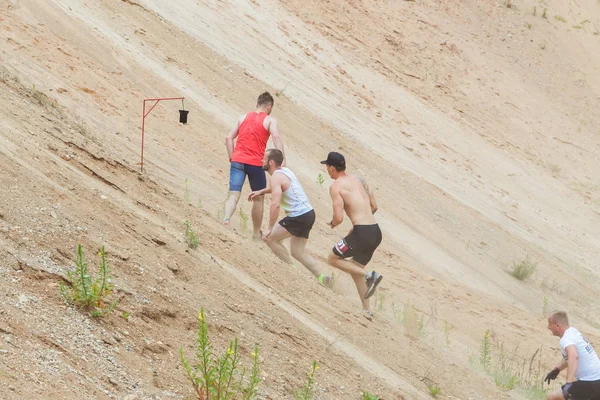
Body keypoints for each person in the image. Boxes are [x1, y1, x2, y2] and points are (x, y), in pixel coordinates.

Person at [248, 149, 333, 287]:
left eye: (264, 159)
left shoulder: (275, 177)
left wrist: (269, 228)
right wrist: (261, 191)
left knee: (269, 238)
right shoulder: (285, 171)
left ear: (271, 162)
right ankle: (323, 277)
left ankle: (291, 271)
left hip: (298, 215)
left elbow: (275, 204)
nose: (261, 161)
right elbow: (279, 187)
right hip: (308, 213)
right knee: (297, 252)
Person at [321, 151, 382, 319]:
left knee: (333, 259)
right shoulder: (359, 180)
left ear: (332, 168)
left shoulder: (336, 187)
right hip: (375, 231)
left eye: (327, 167)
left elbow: (339, 218)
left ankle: (371, 276)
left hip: (362, 232)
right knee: (356, 269)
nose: (327, 170)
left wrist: (333, 223)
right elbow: (374, 206)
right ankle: (367, 310)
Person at [224, 92, 285, 239]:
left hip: (238, 160)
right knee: (258, 198)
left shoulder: (242, 117)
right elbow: (276, 136)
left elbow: (228, 138)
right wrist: (281, 159)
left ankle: (226, 219)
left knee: (234, 195)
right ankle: (255, 233)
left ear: (257, 104)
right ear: (269, 107)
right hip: (256, 163)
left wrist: (232, 157)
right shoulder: (270, 120)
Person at [545, 311, 600, 400]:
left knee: (552, 397)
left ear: (557, 326)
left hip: (591, 381)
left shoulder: (566, 339)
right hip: (597, 380)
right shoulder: (573, 332)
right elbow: (569, 357)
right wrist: (557, 369)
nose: (548, 327)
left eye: (550, 324)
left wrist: (568, 383)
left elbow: (574, 356)